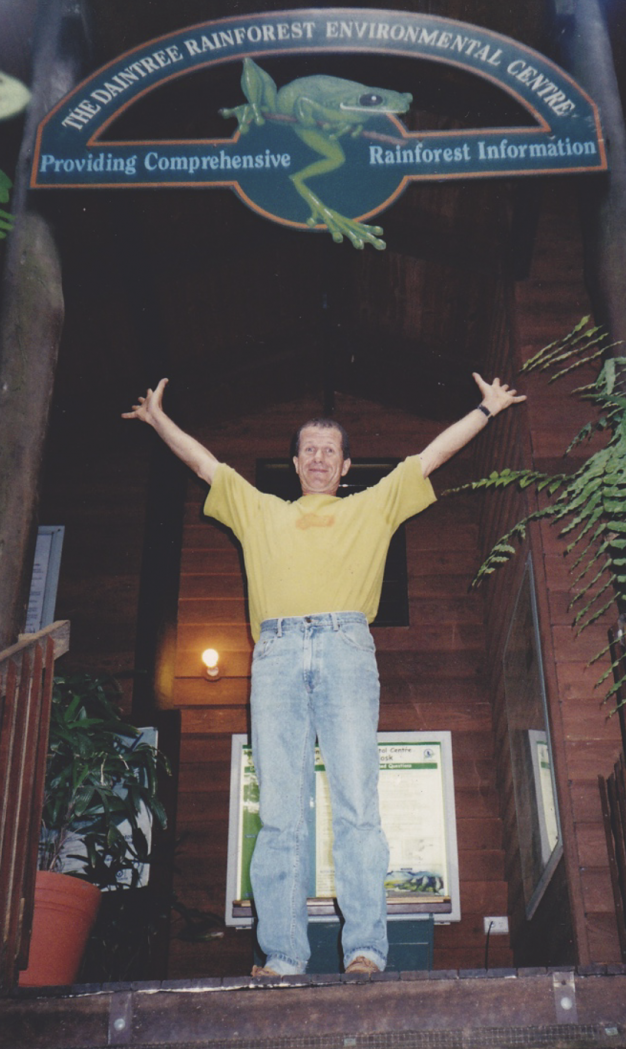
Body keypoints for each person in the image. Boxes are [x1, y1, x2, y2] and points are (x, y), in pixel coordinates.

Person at [123, 373, 523, 976]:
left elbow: (432, 455)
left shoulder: (372, 505)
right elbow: (206, 465)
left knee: (358, 803)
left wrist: (486, 410)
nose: (317, 457)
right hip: (277, 654)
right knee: (281, 811)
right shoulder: (259, 511)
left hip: (345, 648)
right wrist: (159, 420)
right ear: (294, 463)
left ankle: (365, 948)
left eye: (328, 450)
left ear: (345, 467)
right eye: (308, 448)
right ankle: (283, 956)